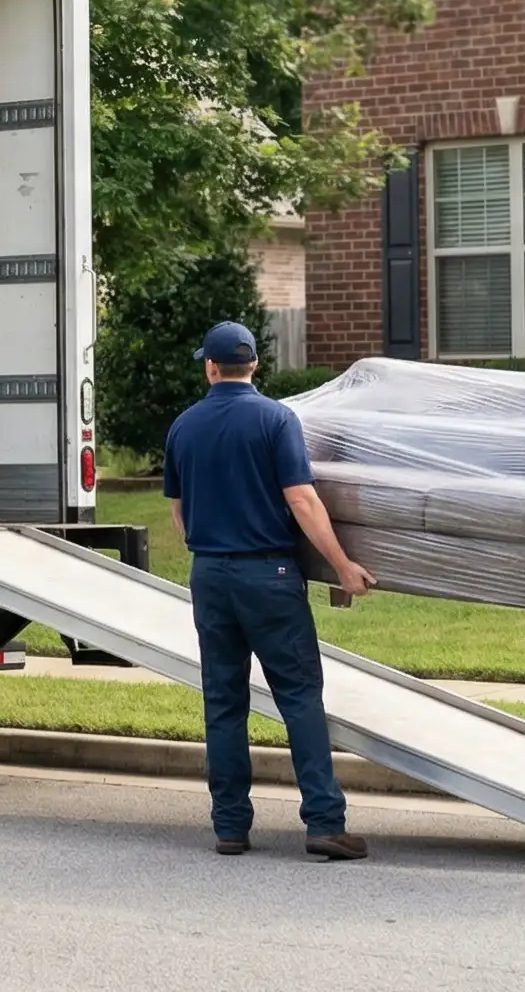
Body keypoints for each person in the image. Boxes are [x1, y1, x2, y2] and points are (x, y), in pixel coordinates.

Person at [162, 321, 378, 860]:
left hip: (211, 577)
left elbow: (179, 516)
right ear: (254, 365)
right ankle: (325, 823)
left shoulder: (183, 428)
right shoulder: (277, 419)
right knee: (299, 696)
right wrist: (343, 565)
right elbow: (303, 501)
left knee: (223, 700)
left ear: (210, 367)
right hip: (270, 577)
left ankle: (230, 826)